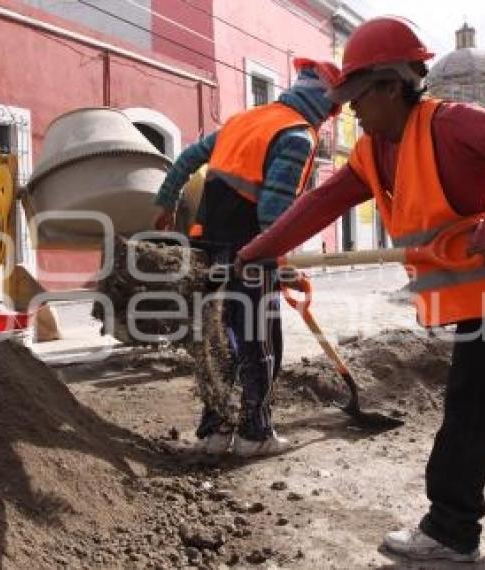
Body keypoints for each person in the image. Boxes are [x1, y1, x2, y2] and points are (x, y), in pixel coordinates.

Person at [235, 16, 485, 562]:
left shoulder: (451, 123)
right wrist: (258, 249)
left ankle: (451, 528)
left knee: (472, 403)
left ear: (392, 85)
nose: (350, 108)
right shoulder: (373, 151)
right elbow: (318, 205)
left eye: (357, 94)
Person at [152, 58, 340, 457]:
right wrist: (280, 264)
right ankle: (255, 435)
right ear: (325, 105)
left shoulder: (244, 120)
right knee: (258, 341)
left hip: (206, 245)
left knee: (216, 341)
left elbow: (188, 157)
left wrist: (166, 201)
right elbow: (274, 211)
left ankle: (215, 433)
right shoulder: (297, 135)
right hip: (250, 252)